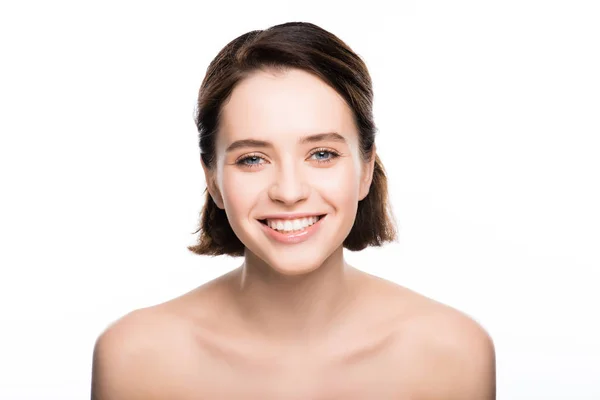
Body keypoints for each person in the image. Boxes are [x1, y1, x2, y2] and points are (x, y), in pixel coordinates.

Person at [91, 22, 495, 399]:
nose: (289, 191)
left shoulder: (453, 355)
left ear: (366, 169)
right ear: (212, 179)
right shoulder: (136, 360)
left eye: (322, 154)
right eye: (252, 158)